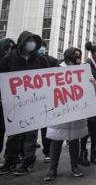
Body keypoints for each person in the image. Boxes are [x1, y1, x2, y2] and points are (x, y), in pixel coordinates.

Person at [44, 47, 96, 181]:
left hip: (76, 113)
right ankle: (52, 169)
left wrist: (93, 83)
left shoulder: (83, 71)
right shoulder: (56, 70)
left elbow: (95, 91)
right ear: (68, 56)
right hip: (59, 113)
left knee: (75, 140)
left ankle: (75, 167)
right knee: (56, 141)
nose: (78, 58)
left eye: (79, 55)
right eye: (75, 55)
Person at [0, 31, 49, 176]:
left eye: (34, 41)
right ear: (22, 42)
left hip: (34, 102)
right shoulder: (10, 58)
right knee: (14, 133)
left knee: (30, 134)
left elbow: (49, 77)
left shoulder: (40, 59)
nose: (32, 44)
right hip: (14, 103)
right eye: (29, 41)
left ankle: (28, 162)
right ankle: (10, 161)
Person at [38, 40, 59, 163]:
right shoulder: (30, 61)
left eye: (42, 47)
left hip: (49, 98)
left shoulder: (52, 61)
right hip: (33, 99)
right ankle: (22, 153)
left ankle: (47, 151)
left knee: (46, 127)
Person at [0, 38, 16, 161]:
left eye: (12, 48)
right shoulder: (4, 62)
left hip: (10, 104)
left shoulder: (12, 62)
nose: (9, 51)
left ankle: (10, 158)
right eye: (7, 48)